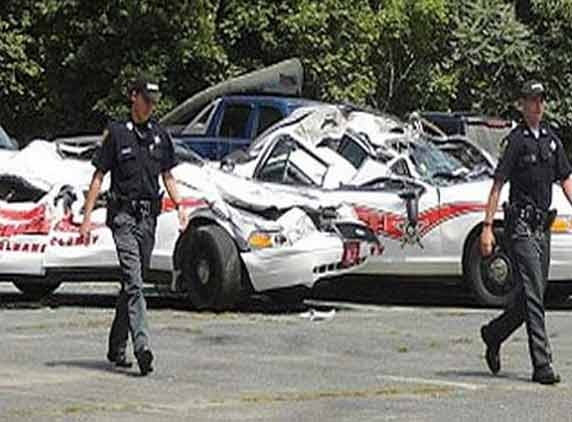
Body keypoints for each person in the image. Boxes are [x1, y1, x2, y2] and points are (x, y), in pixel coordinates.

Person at [80, 78, 188, 375]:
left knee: (131, 285)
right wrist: (87, 218)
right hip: (123, 218)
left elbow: (168, 176)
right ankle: (142, 345)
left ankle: (116, 347)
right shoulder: (116, 133)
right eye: (146, 99)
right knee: (135, 281)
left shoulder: (160, 135)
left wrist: (181, 207)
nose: (151, 106)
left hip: (147, 219)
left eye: (154, 101)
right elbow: (99, 176)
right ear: (133, 97)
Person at [479, 80, 572, 384]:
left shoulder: (551, 141)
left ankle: (494, 333)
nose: (537, 105)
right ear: (522, 104)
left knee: (533, 297)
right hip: (520, 228)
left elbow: (566, 179)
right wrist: (488, 227)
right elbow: (497, 185)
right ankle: (542, 365)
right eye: (532, 100)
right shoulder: (516, 141)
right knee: (534, 295)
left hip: (542, 229)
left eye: (541, 100)